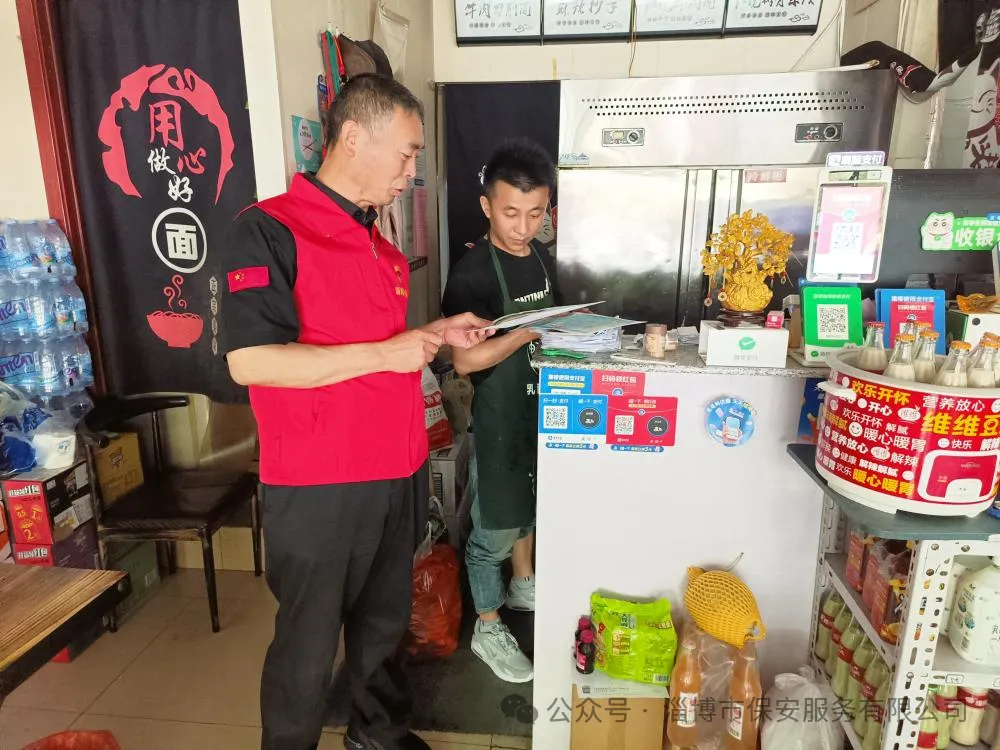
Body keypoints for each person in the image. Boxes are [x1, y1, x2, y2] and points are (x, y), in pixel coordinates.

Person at [221, 74, 490, 750]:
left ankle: (378, 735)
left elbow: (375, 351)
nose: (410, 171)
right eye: (406, 152)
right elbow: (250, 362)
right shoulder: (270, 230)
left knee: (383, 625)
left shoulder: (379, 245)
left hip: (397, 469)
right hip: (321, 481)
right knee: (308, 647)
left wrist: (433, 335)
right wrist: (386, 352)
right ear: (351, 138)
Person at [441, 138, 559, 684]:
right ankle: (487, 627)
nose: (524, 227)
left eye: (536, 213)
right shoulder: (473, 274)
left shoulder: (539, 257)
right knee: (494, 529)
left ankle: (524, 583)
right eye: (512, 213)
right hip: (499, 419)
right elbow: (465, 360)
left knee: (528, 508)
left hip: (540, 409)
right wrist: (527, 333)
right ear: (487, 205)